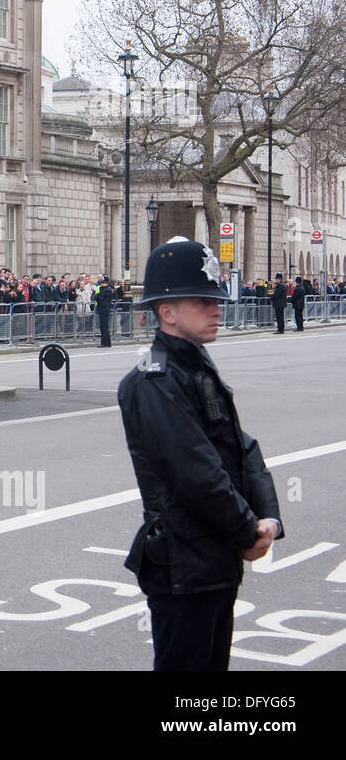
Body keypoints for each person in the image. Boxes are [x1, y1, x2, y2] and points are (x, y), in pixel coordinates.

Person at [118, 237, 282, 671]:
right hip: (183, 562)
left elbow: (242, 447)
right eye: (202, 301)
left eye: (215, 299)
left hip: (212, 558)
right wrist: (249, 532)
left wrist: (269, 518)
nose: (216, 309)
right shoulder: (153, 381)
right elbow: (196, 475)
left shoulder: (196, 366)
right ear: (167, 312)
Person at [94, 275, 113, 347]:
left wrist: (98, 296)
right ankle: (105, 343)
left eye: (104, 282)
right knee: (103, 327)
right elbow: (96, 297)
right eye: (102, 282)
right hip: (101, 309)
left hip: (105, 310)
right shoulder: (103, 289)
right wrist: (98, 296)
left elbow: (100, 297)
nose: (102, 284)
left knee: (104, 327)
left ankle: (106, 343)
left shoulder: (108, 289)